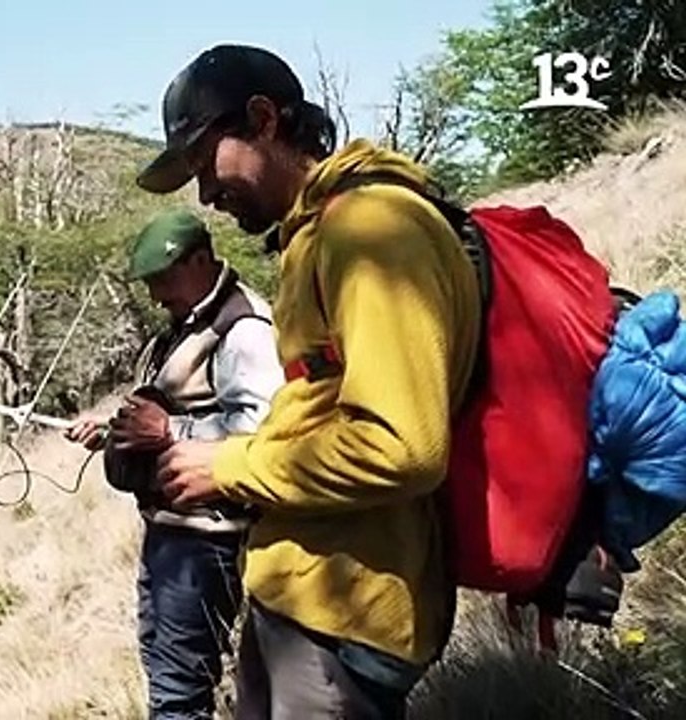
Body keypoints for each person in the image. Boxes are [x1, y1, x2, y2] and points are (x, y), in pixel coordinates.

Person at [138, 44, 483, 718]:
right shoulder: (319, 234)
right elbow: (319, 412)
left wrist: (229, 465)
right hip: (304, 598)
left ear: (264, 119)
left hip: (345, 621)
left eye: (207, 163)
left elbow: (400, 447)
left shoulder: (373, 230)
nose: (206, 194)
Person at [66, 208, 283, 720]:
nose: (156, 294)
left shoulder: (243, 329)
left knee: (178, 694)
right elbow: (179, 407)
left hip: (206, 539)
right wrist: (113, 435)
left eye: (164, 278)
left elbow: (264, 434)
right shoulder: (189, 322)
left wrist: (167, 434)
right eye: (149, 283)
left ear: (202, 260)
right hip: (171, 532)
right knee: (169, 675)